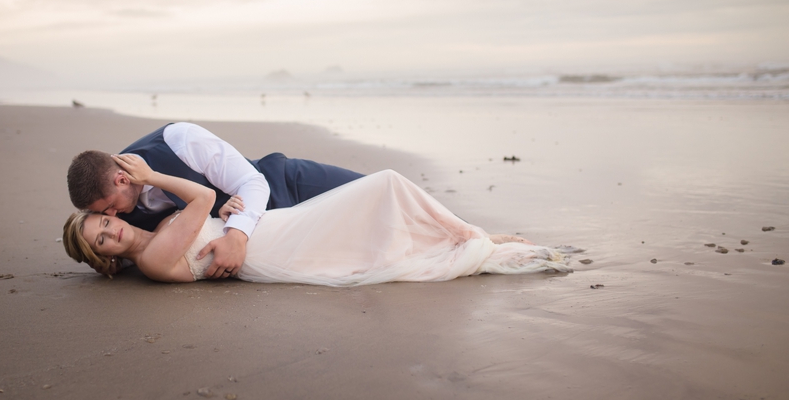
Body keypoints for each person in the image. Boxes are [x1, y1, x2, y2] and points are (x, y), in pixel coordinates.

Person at [63, 154, 572, 287]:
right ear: (105, 258)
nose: (113, 229)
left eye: (103, 222)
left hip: (269, 231)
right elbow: (200, 196)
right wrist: (152, 175)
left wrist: (224, 213)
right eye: (102, 240)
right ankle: (472, 238)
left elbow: (206, 212)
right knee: (386, 186)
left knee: (374, 221)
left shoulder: (158, 236)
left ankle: (471, 237)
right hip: (274, 246)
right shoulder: (153, 257)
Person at [67, 122, 363, 278]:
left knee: (374, 194)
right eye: (104, 215)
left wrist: (236, 236)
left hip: (286, 186)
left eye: (110, 208)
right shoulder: (117, 216)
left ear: (122, 180)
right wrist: (109, 262)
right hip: (278, 241)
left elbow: (252, 182)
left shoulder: (179, 140)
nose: (113, 216)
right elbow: (144, 245)